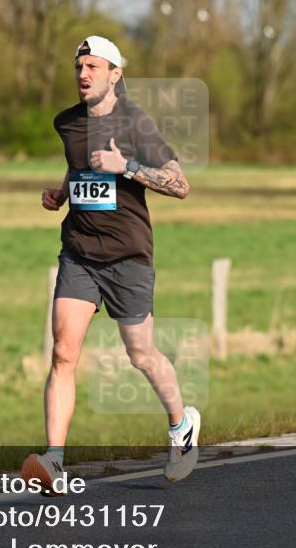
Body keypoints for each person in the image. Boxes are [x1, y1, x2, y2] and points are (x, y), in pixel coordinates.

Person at [22, 36, 200, 494]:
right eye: (79, 66)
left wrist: (127, 166)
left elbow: (179, 185)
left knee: (140, 353)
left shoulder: (136, 123)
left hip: (128, 255)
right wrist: (62, 194)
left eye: (93, 67)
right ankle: (55, 462)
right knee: (63, 353)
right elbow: (78, 166)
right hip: (79, 252)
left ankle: (182, 427)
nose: (83, 74)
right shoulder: (68, 123)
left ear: (115, 74)